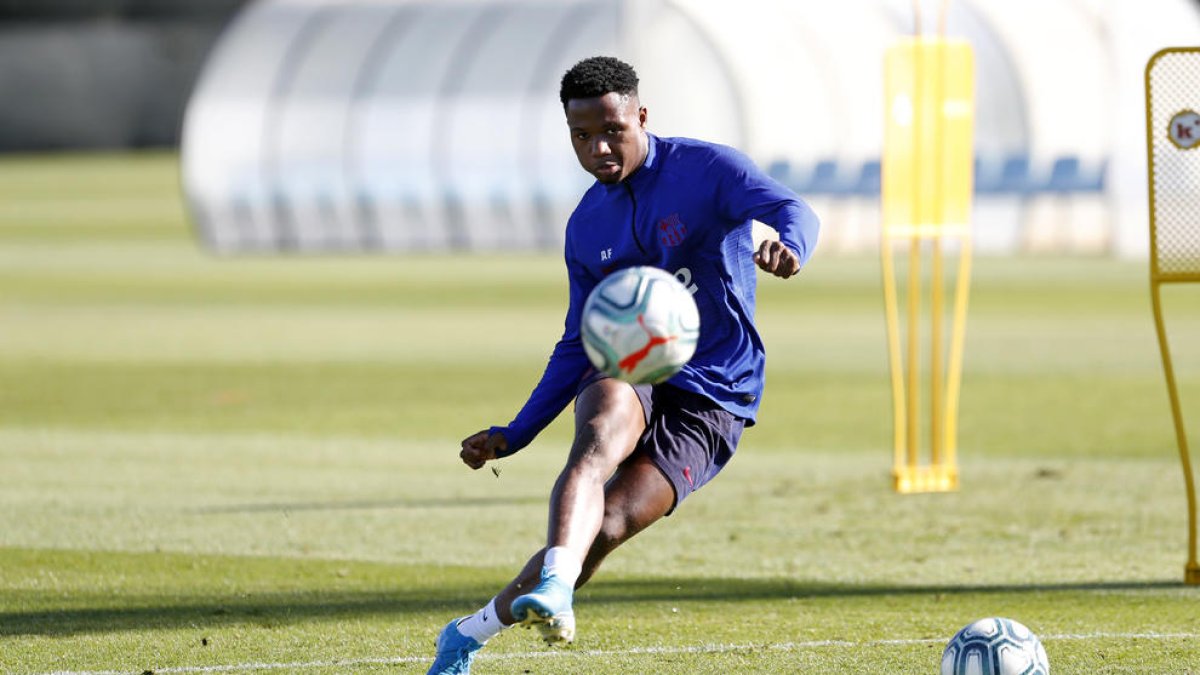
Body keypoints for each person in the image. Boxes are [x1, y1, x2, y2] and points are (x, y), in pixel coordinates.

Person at [427, 55, 819, 674]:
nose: (599, 148)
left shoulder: (708, 169)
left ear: (641, 116)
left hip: (717, 389)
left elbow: (796, 210)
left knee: (607, 526)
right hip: (632, 361)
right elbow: (577, 341)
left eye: (612, 130)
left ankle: (466, 635)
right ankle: (555, 586)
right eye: (582, 136)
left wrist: (790, 246)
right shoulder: (587, 225)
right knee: (597, 439)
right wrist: (517, 431)